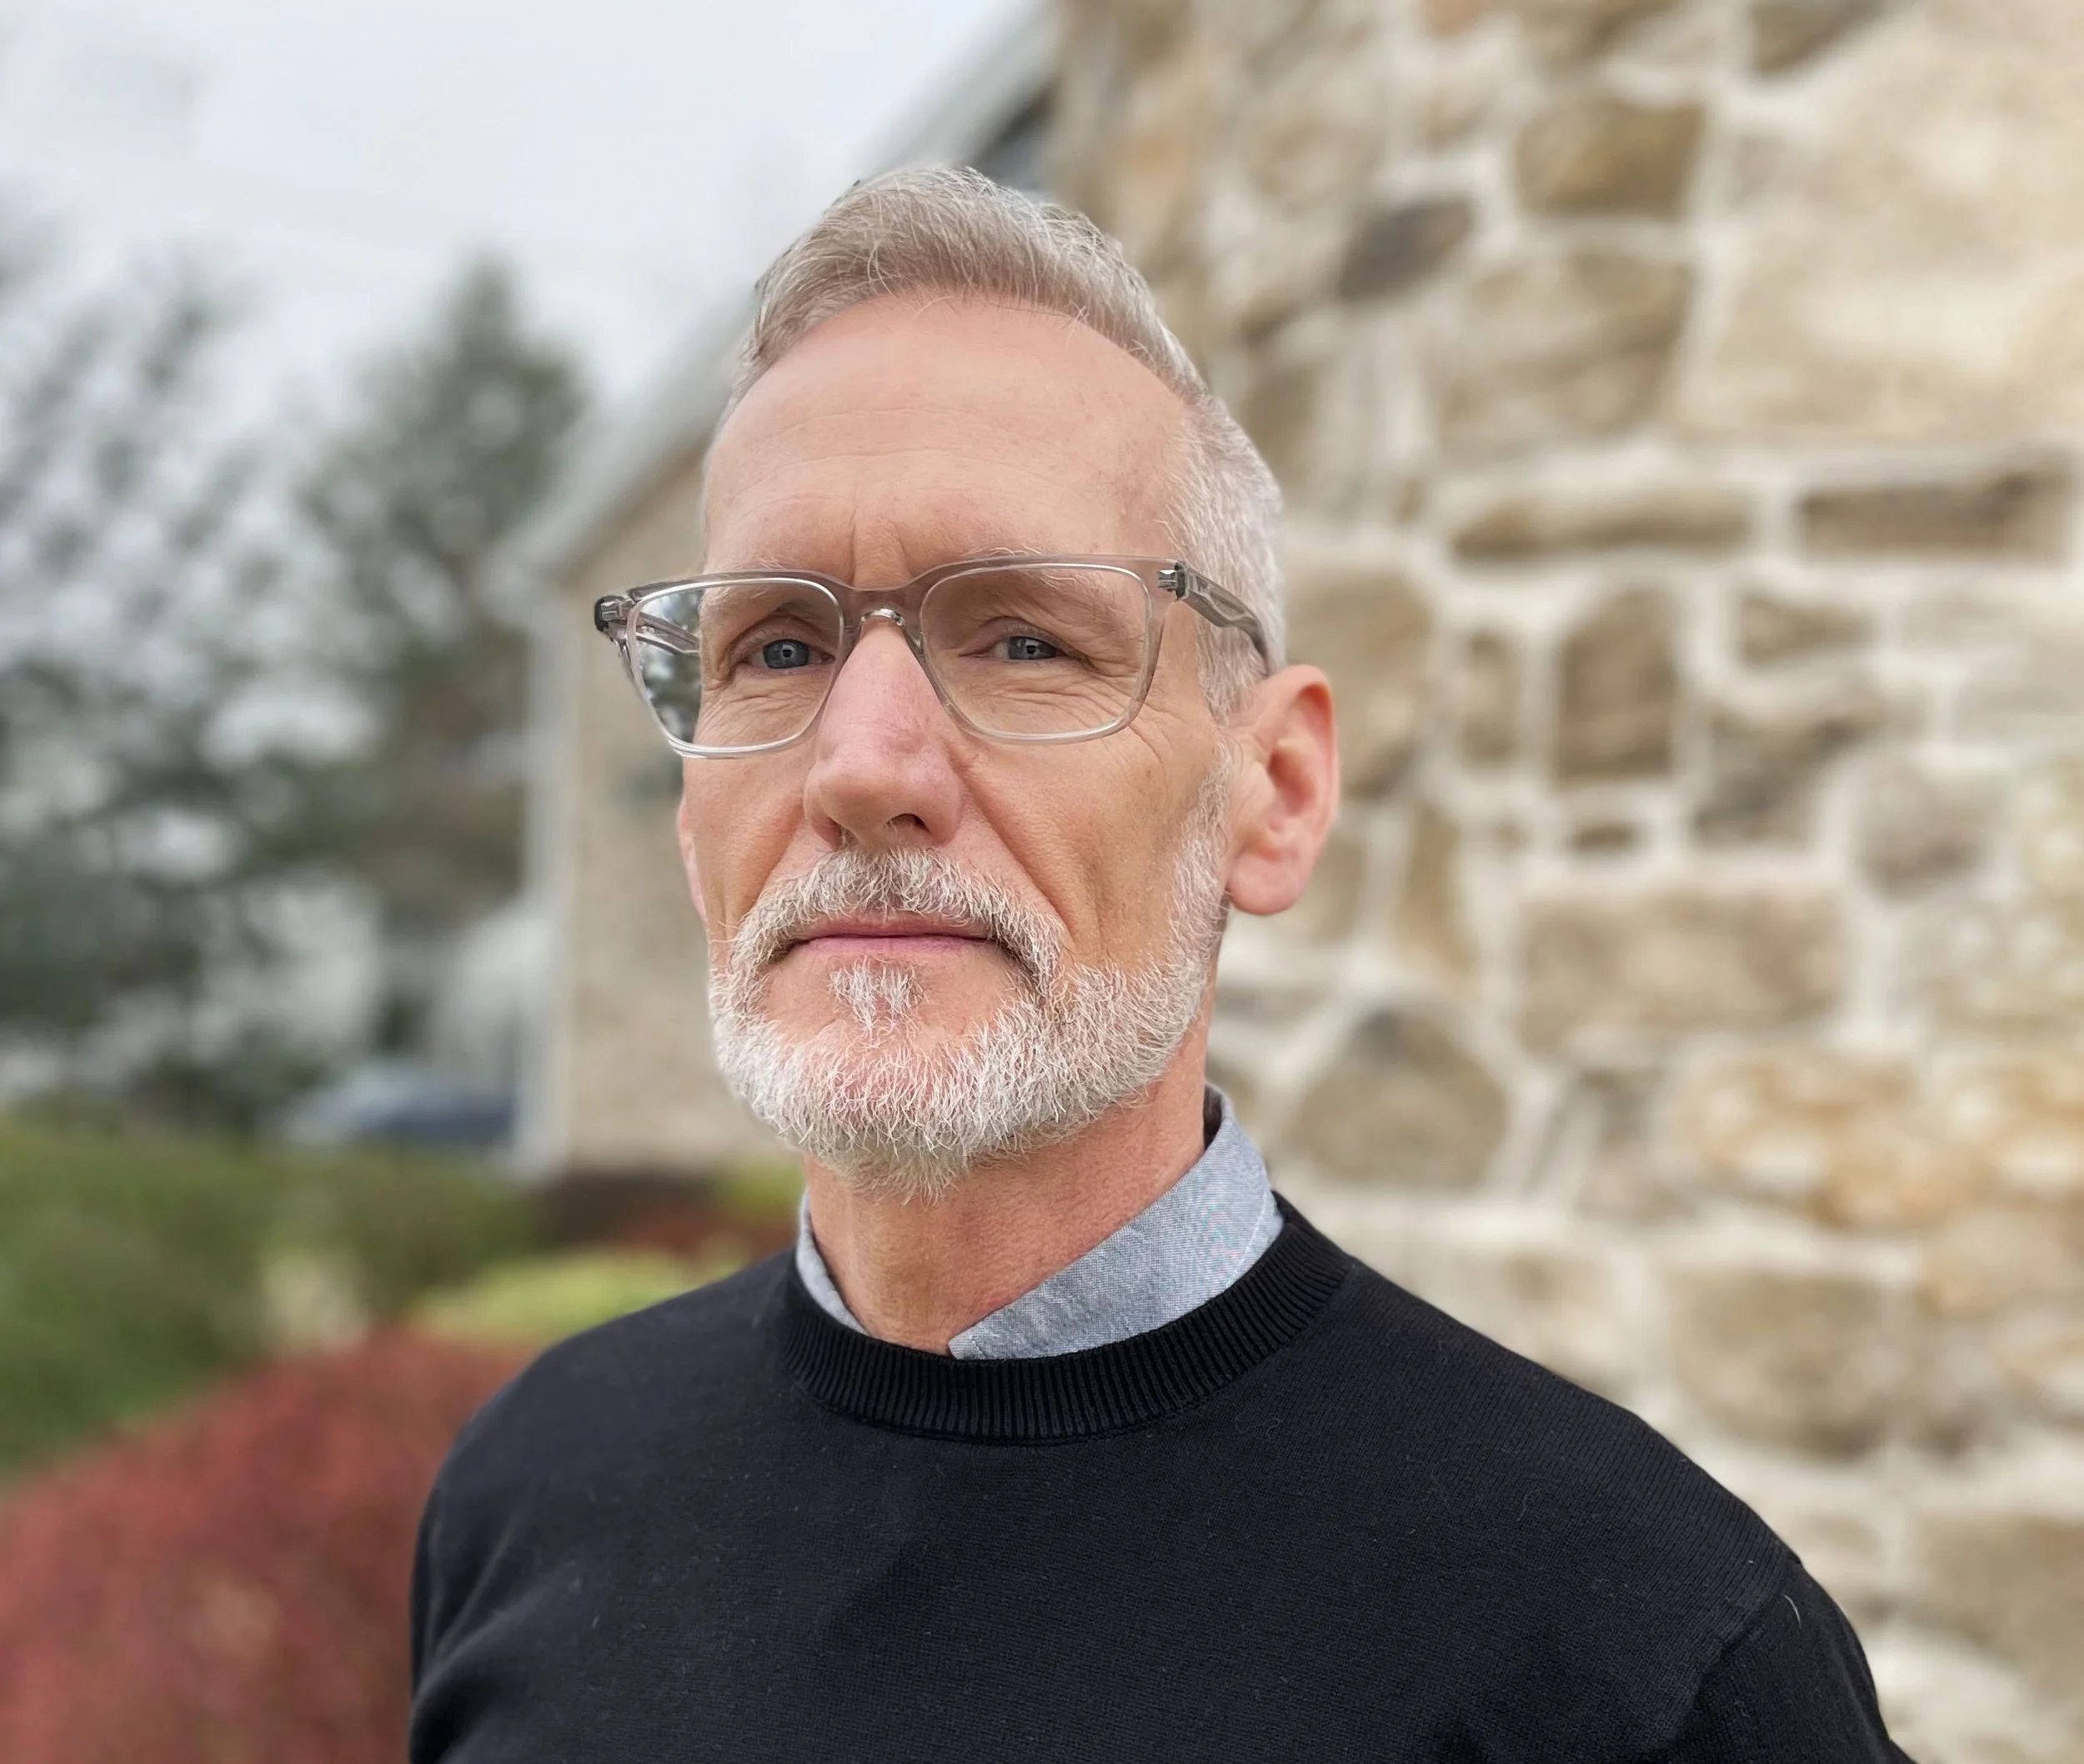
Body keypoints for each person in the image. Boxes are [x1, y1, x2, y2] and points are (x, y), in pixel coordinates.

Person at [409, 168, 1910, 1762]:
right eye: (775, 648)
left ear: (1273, 793)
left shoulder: (1630, 1653)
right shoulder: (533, 1490)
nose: (861, 764)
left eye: (1023, 640)